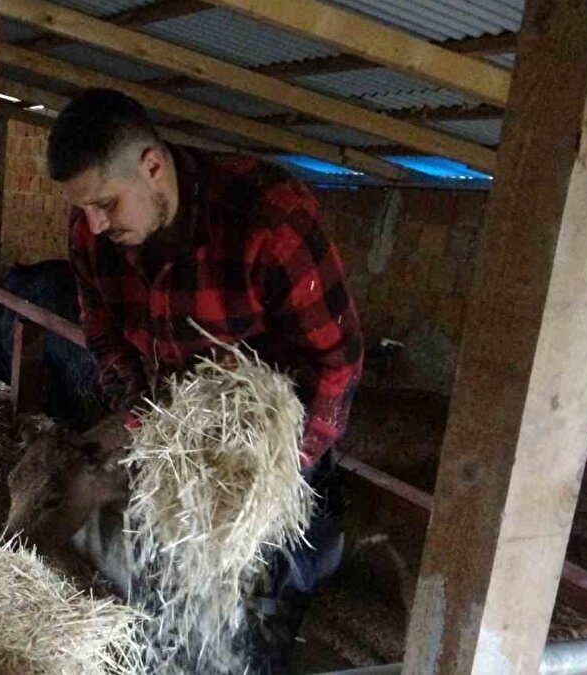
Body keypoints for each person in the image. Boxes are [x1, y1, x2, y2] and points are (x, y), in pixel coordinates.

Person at [47, 88, 363, 673]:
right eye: (84, 207)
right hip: (177, 450)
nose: (93, 223)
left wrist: (278, 472)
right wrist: (147, 422)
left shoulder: (268, 217)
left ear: (152, 166)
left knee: (263, 616)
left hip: (266, 454)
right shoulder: (91, 235)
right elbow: (105, 339)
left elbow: (337, 360)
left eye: (106, 204)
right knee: (160, 599)